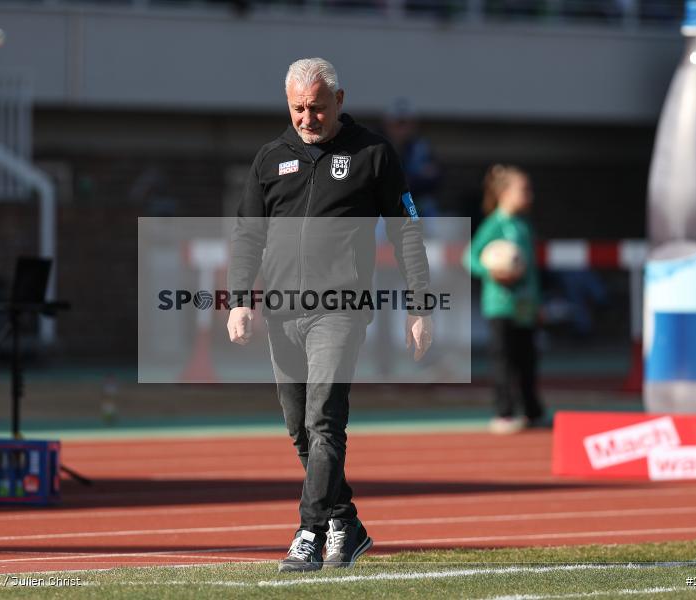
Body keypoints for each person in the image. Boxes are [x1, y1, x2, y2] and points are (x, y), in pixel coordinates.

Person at [227, 57, 432, 573]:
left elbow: (406, 230)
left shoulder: (374, 153)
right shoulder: (270, 158)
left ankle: (309, 531)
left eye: (316, 108)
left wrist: (419, 305)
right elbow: (248, 235)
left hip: (339, 311)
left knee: (324, 421)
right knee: (299, 428)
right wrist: (239, 300)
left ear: (339, 101)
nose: (307, 118)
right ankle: (349, 523)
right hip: (281, 312)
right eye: (297, 108)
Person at [463, 165, 544, 435]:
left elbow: (530, 270)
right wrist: (493, 271)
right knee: (503, 360)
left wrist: (537, 300)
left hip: (525, 306)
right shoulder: (494, 224)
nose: (529, 194)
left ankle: (533, 411)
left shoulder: (524, 225)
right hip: (500, 306)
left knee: (528, 359)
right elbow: (470, 258)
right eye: (524, 189)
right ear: (504, 194)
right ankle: (504, 411)